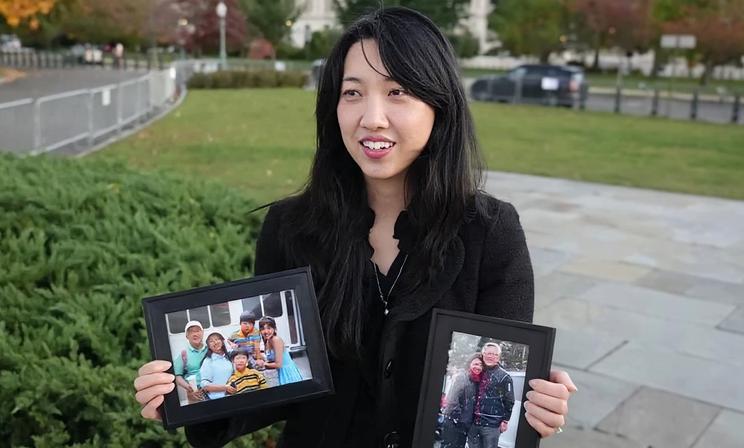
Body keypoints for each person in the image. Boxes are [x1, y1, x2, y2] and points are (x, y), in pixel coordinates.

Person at [134, 6, 576, 447]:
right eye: (352, 93)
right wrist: (183, 398)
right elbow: (278, 387)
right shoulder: (291, 228)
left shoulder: (491, 232)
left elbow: (498, 380)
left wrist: (533, 407)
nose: (372, 117)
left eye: (397, 91)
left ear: (439, 104)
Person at [468, 343, 514, 448]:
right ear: (483, 355)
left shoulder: (504, 377)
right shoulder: (478, 371)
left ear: (498, 357)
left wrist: (505, 420)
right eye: (488, 353)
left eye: (494, 354)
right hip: (474, 423)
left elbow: (510, 400)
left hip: (492, 426)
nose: (491, 356)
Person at [440, 354, 484, 448]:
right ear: (469, 364)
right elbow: (452, 400)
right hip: (454, 422)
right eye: (476, 364)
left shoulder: (476, 381)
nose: (478, 367)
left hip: (464, 424)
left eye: (481, 365)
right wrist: (457, 419)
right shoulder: (462, 377)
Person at [259, 316, 303, 385]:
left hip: (287, 373)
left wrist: (264, 364)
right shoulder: (267, 340)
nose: (266, 331)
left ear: (274, 329)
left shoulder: (276, 340)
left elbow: (278, 364)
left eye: (269, 328)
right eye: (263, 329)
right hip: (280, 373)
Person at [172, 320, 208, 403]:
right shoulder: (183, 354)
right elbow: (177, 376)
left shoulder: (209, 349)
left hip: (213, 391)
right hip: (195, 395)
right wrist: (189, 387)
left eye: (197, 330)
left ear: (202, 333)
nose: (195, 334)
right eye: (191, 332)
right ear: (187, 336)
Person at [199, 332, 235, 400]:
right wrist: (225, 388)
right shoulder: (208, 361)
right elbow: (205, 385)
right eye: (211, 341)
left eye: (217, 339)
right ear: (208, 346)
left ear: (222, 341)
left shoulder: (228, 357)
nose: (215, 342)